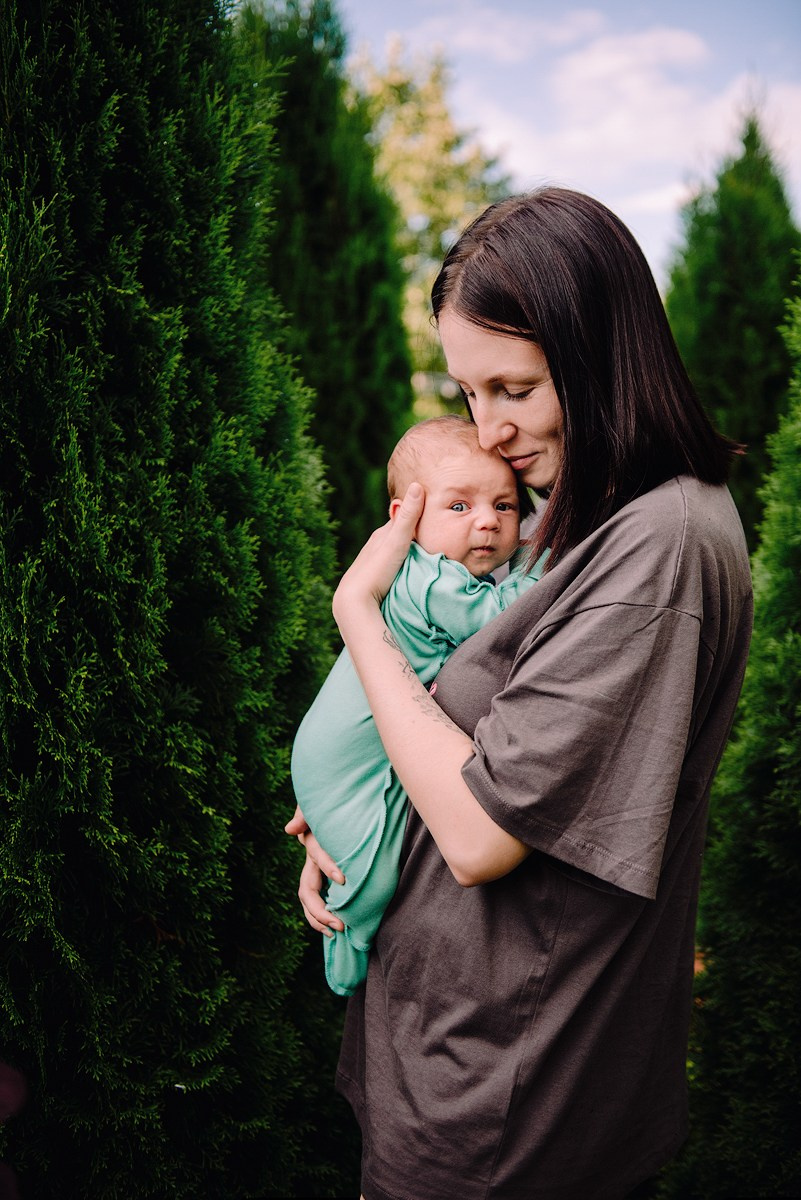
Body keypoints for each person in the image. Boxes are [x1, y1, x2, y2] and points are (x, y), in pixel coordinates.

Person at [286, 187, 753, 1200]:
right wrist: (353, 805)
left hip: (513, 1106)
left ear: (595, 359)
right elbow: (476, 733)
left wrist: (359, 615)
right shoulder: (588, 516)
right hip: (458, 1059)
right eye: (469, 396)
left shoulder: (660, 545)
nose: (486, 433)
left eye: (514, 389)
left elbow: (482, 832)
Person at [290, 415, 549, 996]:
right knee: (373, 877)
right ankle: (346, 944)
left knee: (384, 847)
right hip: (342, 759)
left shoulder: (441, 573)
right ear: (405, 520)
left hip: (348, 753)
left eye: (505, 507)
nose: (487, 520)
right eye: (459, 507)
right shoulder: (431, 580)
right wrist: (550, 560)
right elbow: (502, 617)